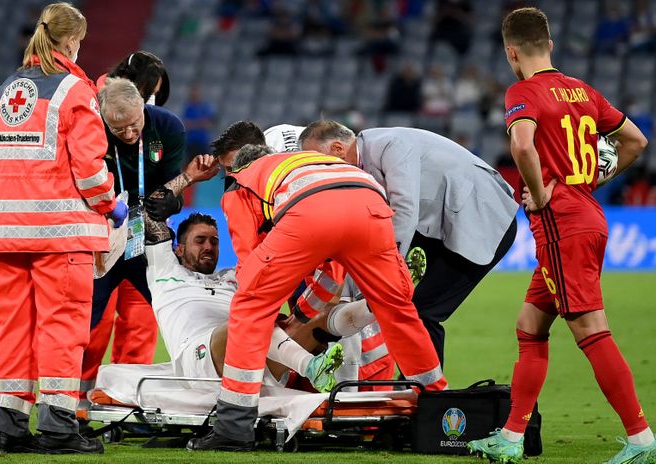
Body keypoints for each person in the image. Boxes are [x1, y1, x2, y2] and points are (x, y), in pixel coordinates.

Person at [466, 8, 656, 464]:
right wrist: (588, 181)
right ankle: (511, 438)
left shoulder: (523, 91)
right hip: (586, 215)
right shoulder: (582, 90)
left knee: (592, 329)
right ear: (551, 45)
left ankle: (642, 440)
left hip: (562, 228)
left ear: (510, 53)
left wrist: (539, 194)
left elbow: (521, 145)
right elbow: (635, 141)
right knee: (529, 325)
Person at [187, 144, 448, 451]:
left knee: (250, 305)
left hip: (310, 211)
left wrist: (279, 317)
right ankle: (438, 405)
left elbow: (248, 268)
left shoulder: (240, 185)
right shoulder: (303, 164)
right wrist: (302, 315)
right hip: (370, 202)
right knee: (397, 309)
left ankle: (233, 428)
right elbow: (333, 275)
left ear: (236, 171)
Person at [0, 2, 126, 455]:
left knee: (12, 327)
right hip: (60, 232)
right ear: (73, 42)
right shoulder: (74, 91)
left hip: (4, 231)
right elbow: (88, 167)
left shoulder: (3, 90)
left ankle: (9, 424)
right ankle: (60, 426)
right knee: (62, 326)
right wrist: (111, 205)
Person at [299, 121, 518, 370]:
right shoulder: (365, 163)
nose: (317, 171)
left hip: (483, 219)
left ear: (338, 148)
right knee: (407, 308)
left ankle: (425, 398)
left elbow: (404, 212)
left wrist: (384, 271)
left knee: (423, 312)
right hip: (444, 224)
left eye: (317, 162)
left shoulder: (390, 146)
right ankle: (418, 392)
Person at [211, 121, 396, 388]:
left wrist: (289, 316)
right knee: (340, 312)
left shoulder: (245, 189)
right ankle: (356, 380)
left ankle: (331, 386)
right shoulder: (287, 155)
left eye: (233, 167)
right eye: (227, 171)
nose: (232, 176)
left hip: (307, 239)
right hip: (355, 220)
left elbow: (250, 260)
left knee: (318, 313)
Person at [144, 208, 347, 392]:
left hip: (255, 359)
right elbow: (150, 214)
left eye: (214, 241)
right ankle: (310, 366)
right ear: (178, 249)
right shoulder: (165, 271)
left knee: (325, 312)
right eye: (200, 240)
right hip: (198, 361)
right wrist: (186, 180)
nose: (208, 246)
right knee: (251, 315)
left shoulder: (233, 276)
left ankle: (371, 310)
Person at [81, 77, 188, 397]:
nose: (128, 134)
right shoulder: (90, 128)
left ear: (144, 108)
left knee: (172, 312)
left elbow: (173, 188)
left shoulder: (168, 127)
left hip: (148, 236)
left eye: (133, 125)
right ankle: (69, 405)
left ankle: (186, 388)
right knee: (86, 320)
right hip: (103, 237)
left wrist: (171, 197)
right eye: (118, 129)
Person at [98, 50, 170, 106]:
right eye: (144, 94)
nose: (151, 104)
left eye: (155, 94)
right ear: (125, 79)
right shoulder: (93, 107)